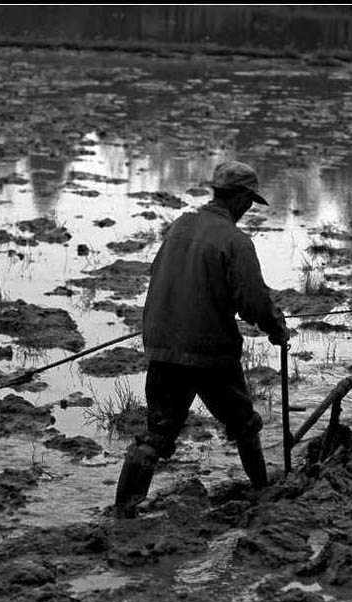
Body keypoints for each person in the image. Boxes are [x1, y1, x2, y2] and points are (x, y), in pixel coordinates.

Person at [114, 160, 290, 518]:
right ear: (240, 199)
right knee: (243, 424)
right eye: (248, 203)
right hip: (209, 352)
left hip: (163, 345)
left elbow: (163, 276)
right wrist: (276, 327)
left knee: (158, 434)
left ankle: (122, 511)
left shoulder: (180, 226)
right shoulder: (234, 241)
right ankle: (262, 490)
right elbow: (253, 300)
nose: (247, 210)